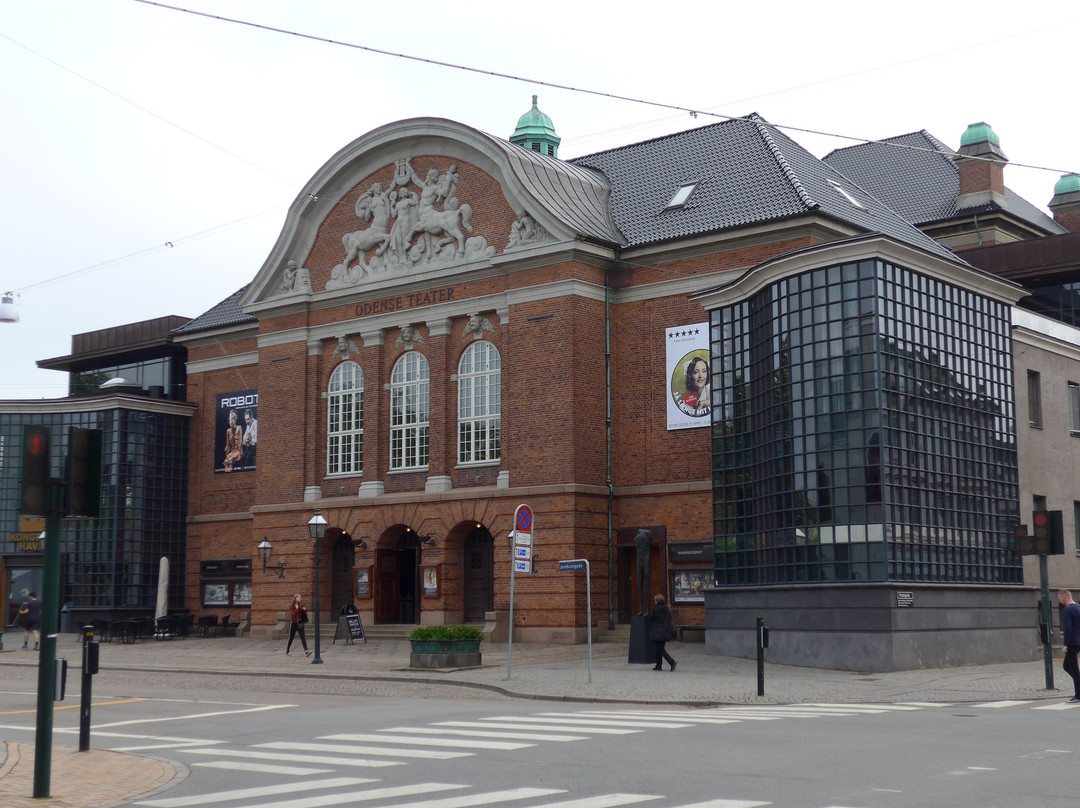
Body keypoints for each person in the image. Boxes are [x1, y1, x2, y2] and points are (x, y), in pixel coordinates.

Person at [1059, 588, 1080, 703]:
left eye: (1059, 599)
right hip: (1078, 642)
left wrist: (1066, 644)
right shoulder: (1078, 608)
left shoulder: (1067, 610)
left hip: (1071, 643)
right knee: (1066, 666)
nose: (1059, 601)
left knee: (1074, 669)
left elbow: (1067, 628)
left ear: (1064, 598)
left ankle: (1078, 695)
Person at [648, 594, 676, 672]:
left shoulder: (656, 609)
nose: (654, 602)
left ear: (657, 601)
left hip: (658, 632)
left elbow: (652, 617)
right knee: (658, 649)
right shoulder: (666, 608)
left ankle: (671, 662)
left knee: (660, 649)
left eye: (655, 600)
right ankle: (658, 665)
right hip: (665, 631)